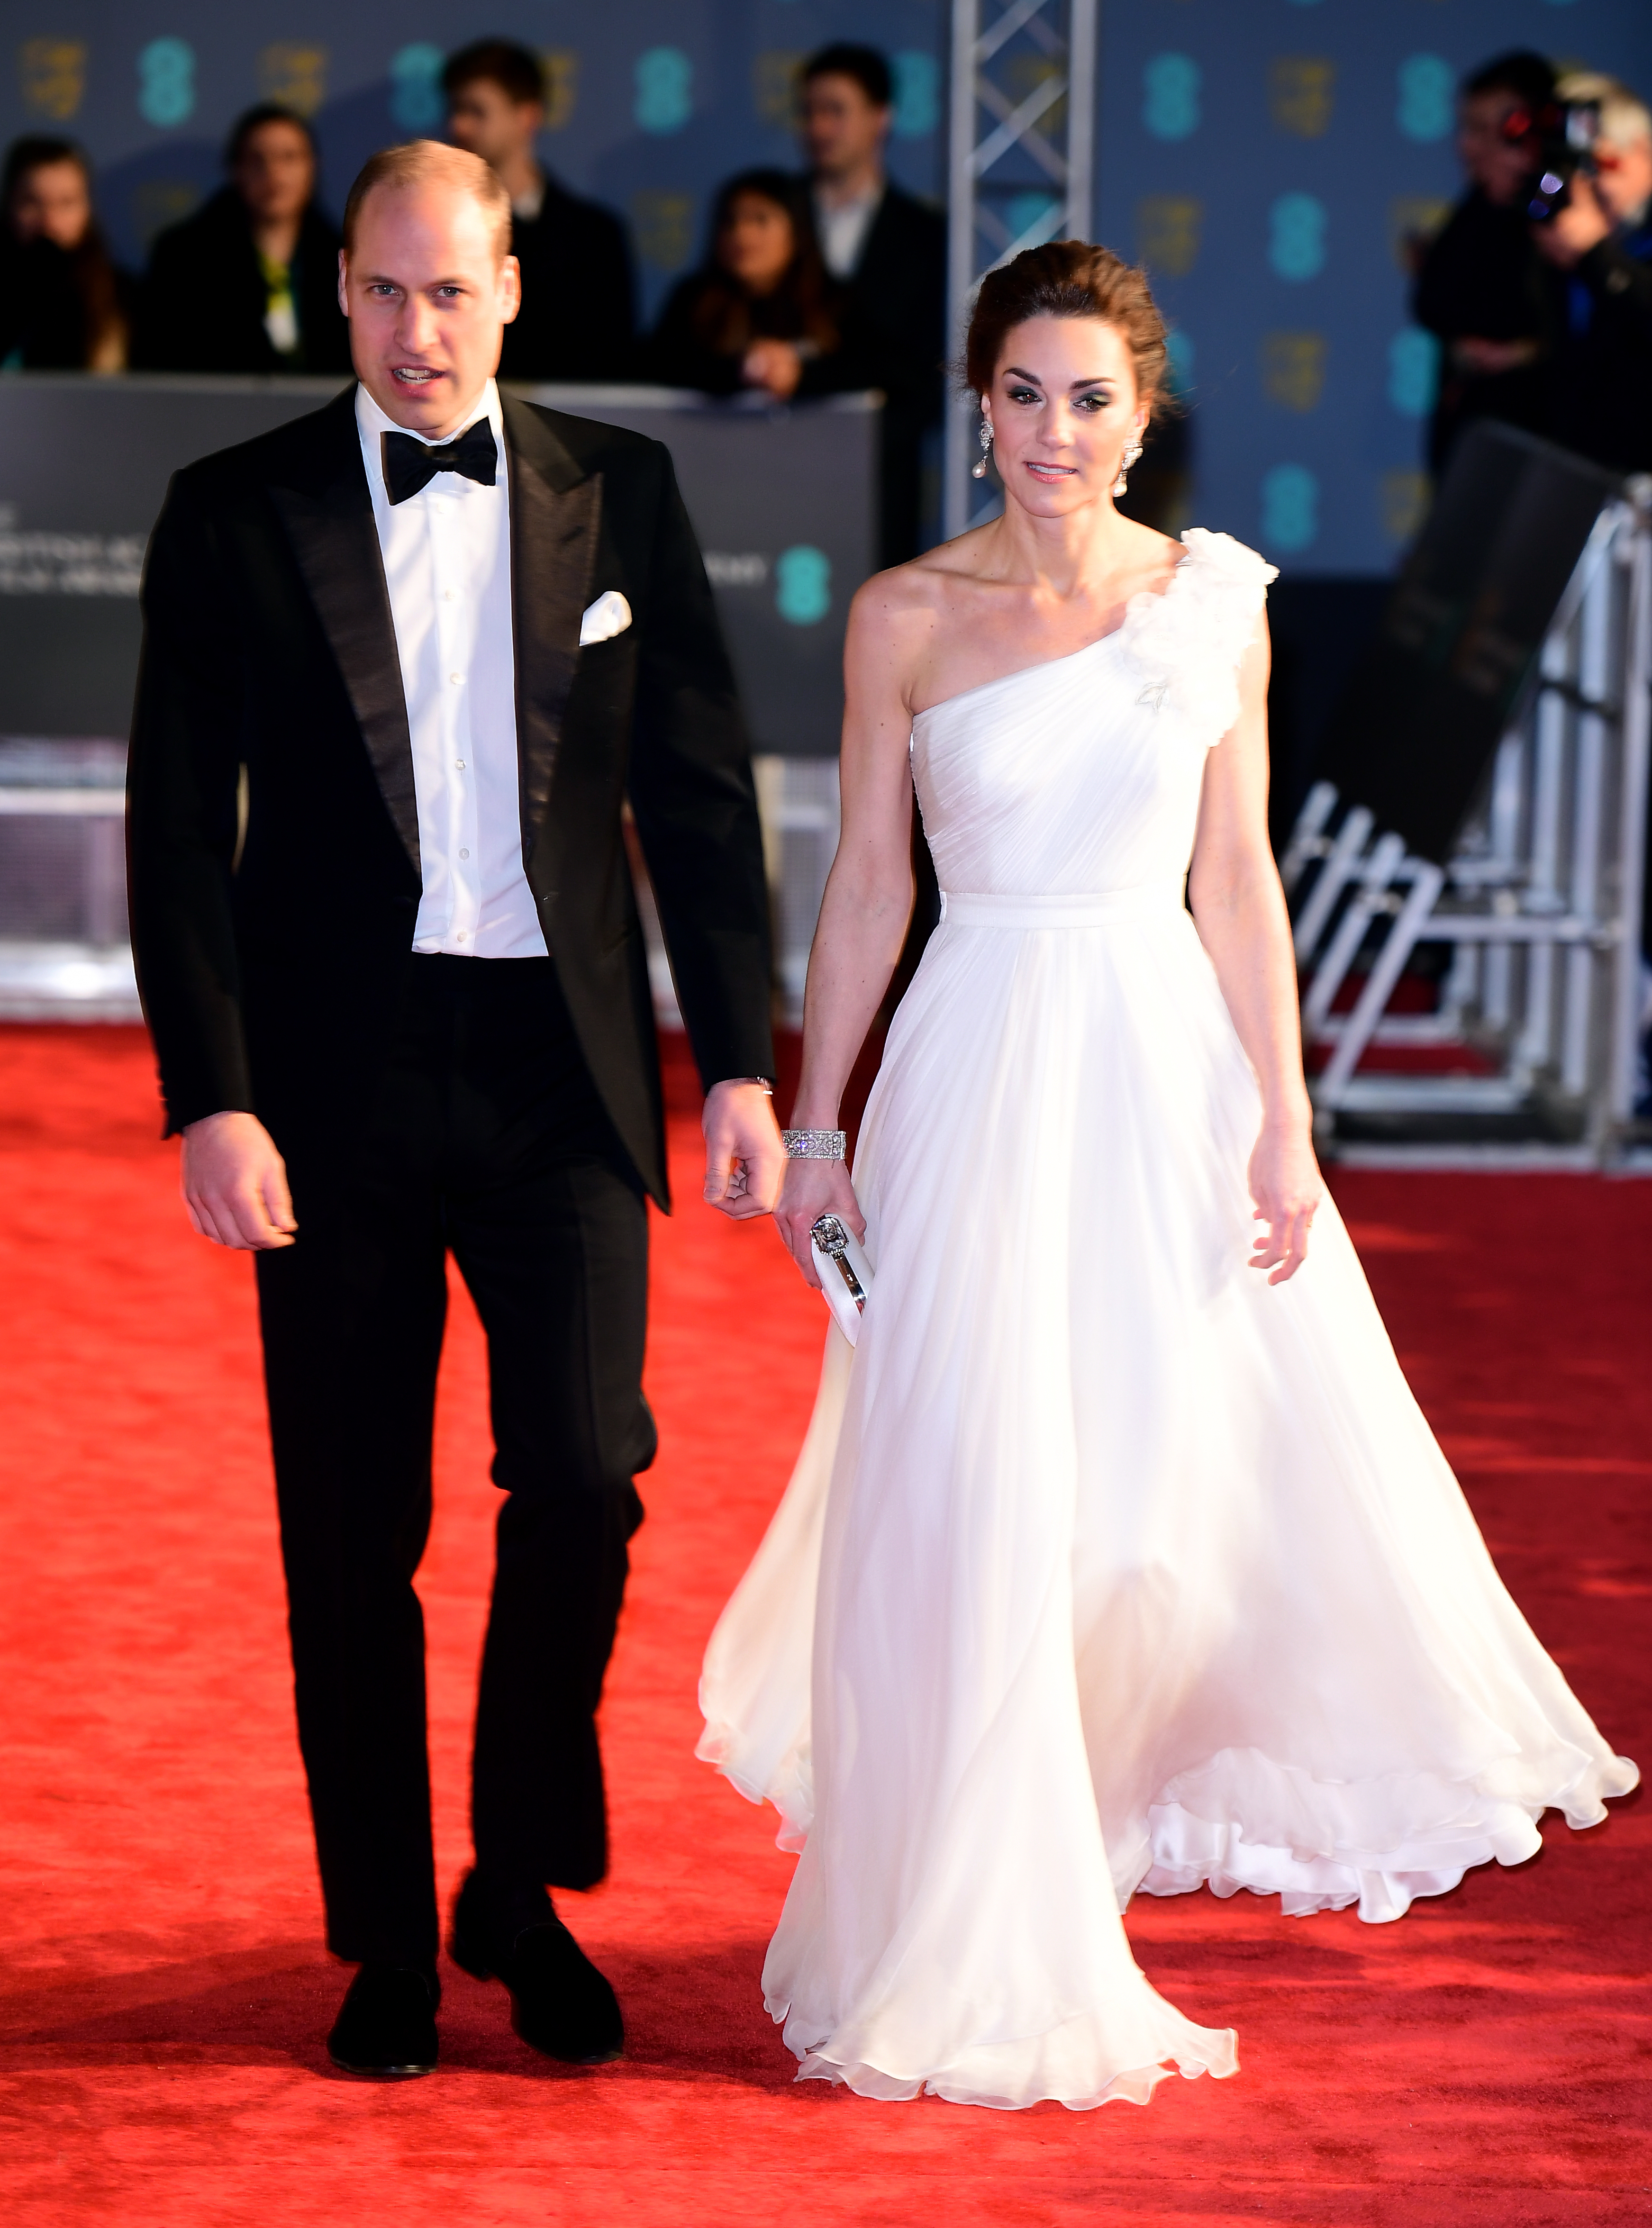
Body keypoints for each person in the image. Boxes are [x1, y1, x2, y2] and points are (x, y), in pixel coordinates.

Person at [698, 241, 1637, 2112]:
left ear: (1144, 413)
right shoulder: (899, 614)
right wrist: (815, 1121)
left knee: (1143, 1524)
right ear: (977, 406)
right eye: (1022, 395)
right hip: (967, 1069)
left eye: (1089, 397)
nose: (1053, 433)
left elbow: (1234, 878)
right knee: (971, 1499)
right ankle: (975, 1919)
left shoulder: (1208, 606)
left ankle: (1077, 1822)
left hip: (1154, 1075)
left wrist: (1282, 1116)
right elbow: (871, 885)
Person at [127, 139, 782, 2082]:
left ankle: (516, 1877)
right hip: (329, 1086)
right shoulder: (230, 511)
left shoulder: (622, 491)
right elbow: (177, 833)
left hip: (556, 1070)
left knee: (583, 1471)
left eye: (454, 290)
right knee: (354, 1529)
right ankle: (391, 1937)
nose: (420, 332)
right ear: (341, 288)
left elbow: (697, 794)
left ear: (513, 287)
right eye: (386, 291)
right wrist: (212, 1097)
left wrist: (735, 1053)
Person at [800, 44, 945, 565]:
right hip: (769, 470)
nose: (818, 127)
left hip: (879, 486)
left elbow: (927, 371)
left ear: (879, 118)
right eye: (809, 111)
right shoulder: (766, 218)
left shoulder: (925, 235)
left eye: (835, 110)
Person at [445, 38, 636, 382]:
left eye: (476, 111)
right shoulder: (435, 228)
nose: (459, 126)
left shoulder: (595, 238)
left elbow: (610, 369)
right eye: (456, 110)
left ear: (527, 117)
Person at [1413, 50, 1561, 477]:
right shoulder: (1479, 206)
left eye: (1484, 130)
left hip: (1540, 458)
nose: (1467, 146)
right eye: (1467, 128)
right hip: (1466, 445)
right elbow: (1432, 301)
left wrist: (1522, 354)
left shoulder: (1554, 205)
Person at [133, 103, 348, 374]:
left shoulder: (345, 258)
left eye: (289, 158)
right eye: (258, 160)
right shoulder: (184, 257)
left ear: (313, 166)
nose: (274, 174)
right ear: (236, 169)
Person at [644, 169, 877, 402]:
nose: (742, 234)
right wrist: (742, 370)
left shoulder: (836, 303)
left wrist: (801, 375)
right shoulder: (694, 301)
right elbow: (654, 371)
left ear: (797, 231)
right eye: (731, 221)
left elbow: (881, 376)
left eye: (760, 220)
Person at [1533, 74, 1652, 474]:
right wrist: (1551, 178)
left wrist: (1595, 252)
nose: (1592, 182)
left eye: (1602, 163)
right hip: (1571, 457)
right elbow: (1535, 202)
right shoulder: (1561, 215)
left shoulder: (1611, 246)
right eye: (1578, 165)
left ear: (1644, 152)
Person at [0, 136, 132, 371]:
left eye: (67, 203)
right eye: (32, 203)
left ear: (88, 210)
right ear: (7, 204)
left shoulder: (120, 296)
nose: (49, 222)